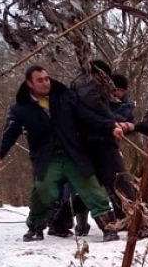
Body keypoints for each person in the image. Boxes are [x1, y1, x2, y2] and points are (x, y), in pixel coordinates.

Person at [0, 65, 124, 242]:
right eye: (40, 80)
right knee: (44, 190)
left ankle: (109, 228)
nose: (45, 83)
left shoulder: (64, 96)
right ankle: (35, 227)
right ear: (30, 83)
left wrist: (110, 126)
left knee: (92, 188)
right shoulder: (21, 107)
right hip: (47, 158)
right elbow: (8, 133)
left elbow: (86, 115)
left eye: (46, 78)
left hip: (72, 154)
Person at [49, 62, 139, 237]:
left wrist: (116, 124)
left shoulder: (84, 85)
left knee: (93, 187)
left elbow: (99, 112)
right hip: (98, 142)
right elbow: (94, 113)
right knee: (118, 181)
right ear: (100, 75)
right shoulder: (87, 88)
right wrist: (112, 125)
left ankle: (59, 222)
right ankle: (135, 222)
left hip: (92, 141)